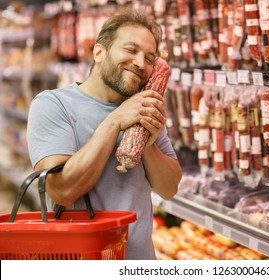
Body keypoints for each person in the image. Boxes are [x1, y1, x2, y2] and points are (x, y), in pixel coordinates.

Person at [26, 10, 182, 260]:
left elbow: (169, 188)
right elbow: (62, 190)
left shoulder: (144, 108)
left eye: (150, 58)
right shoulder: (53, 105)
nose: (141, 64)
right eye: (130, 50)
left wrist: (148, 145)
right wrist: (115, 121)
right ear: (99, 52)